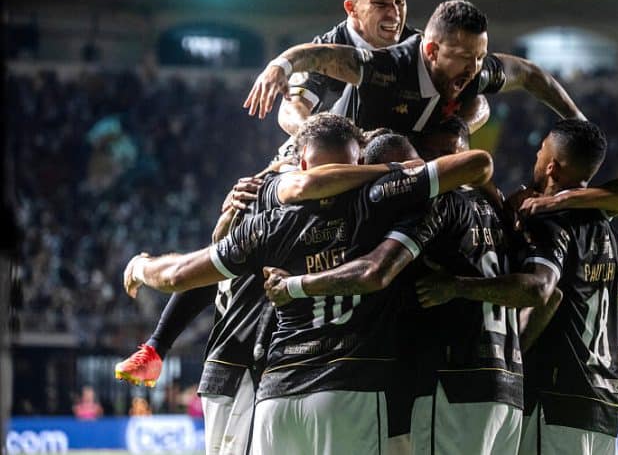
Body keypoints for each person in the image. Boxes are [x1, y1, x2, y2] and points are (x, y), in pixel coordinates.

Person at [121, 116, 494, 455]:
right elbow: (477, 164)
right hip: (346, 387)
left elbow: (180, 275)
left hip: (277, 394)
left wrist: (141, 266)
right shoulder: (374, 201)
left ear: (298, 161)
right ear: (358, 162)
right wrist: (397, 171)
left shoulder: (264, 218)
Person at [418, 120, 618, 455]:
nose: (535, 159)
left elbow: (541, 290)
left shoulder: (550, 222)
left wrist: (456, 286)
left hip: (555, 397)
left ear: (551, 165)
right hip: (603, 404)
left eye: (540, 152)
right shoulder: (607, 231)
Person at [244, 0, 585, 135]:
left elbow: (530, 74)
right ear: (433, 50)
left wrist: (578, 122)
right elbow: (323, 55)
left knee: (478, 104)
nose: (475, 67)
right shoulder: (389, 66)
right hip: (348, 156)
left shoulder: (474, 73)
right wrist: (280, 65)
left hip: (413, 163)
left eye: (480, 57)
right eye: (466, 58)